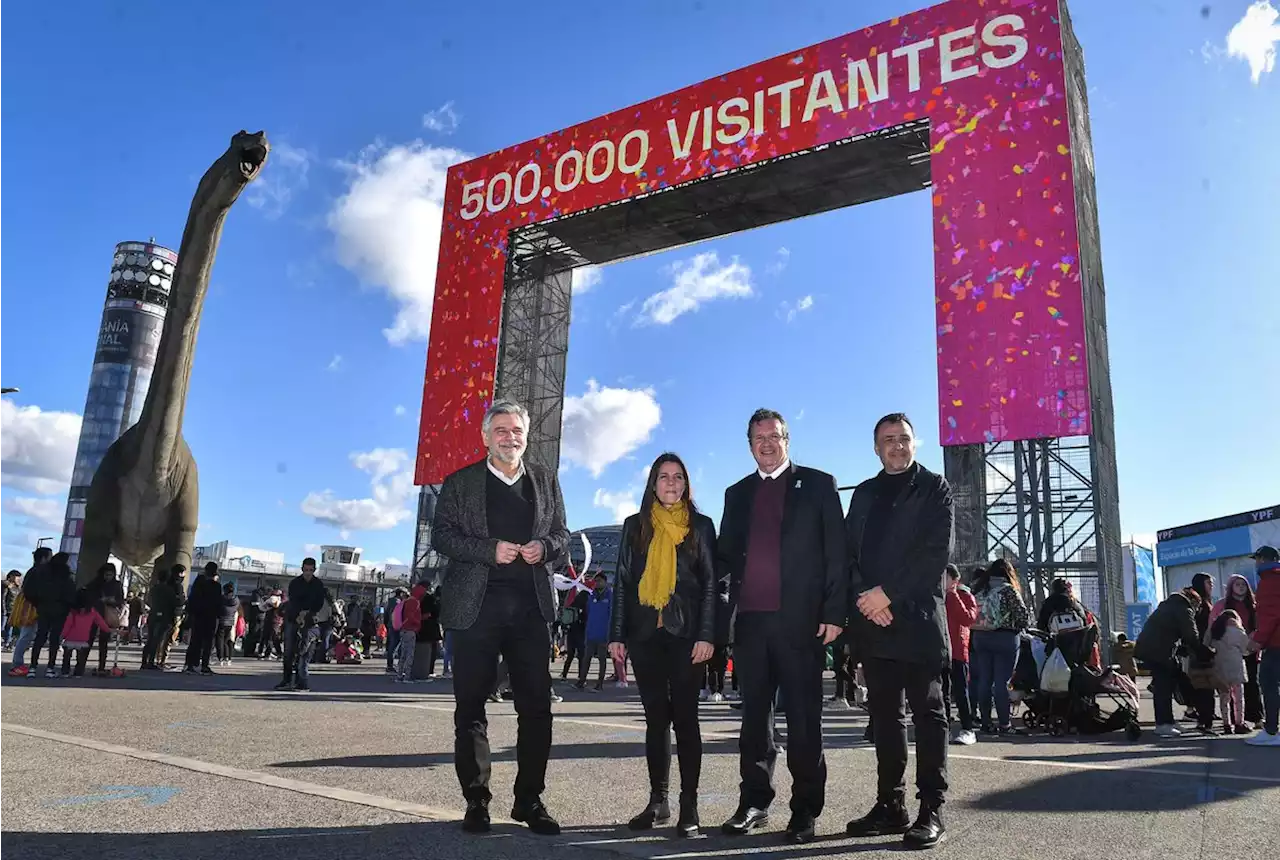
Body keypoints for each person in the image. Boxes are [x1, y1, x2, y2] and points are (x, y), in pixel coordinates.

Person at [433, 399, 569, 836]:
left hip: (531, 611)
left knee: (537, 709)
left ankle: (529, 800)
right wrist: (488, 549)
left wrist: (545, 548)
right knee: (470, 708)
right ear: (485, 436)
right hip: (475, 612)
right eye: (502, 430)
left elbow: (562, 535)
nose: (510, 438)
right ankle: (477, 800)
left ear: (526, 436)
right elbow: (442, 536)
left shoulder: (545, 481)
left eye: (517, 431)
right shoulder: (461, 482)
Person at [716, 408, 845, 844]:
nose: (766, 444)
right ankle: (754, 801)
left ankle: (805, 810)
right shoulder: (737, 494)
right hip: (751, 626)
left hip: (802, 625)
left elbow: (837, 554)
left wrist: (834, 612)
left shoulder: (819, 484)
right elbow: (725, 562)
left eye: (774, 436)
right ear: (749, 444)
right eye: (758, 438)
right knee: (754, 722)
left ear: (787, 440)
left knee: (805, 721)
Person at [843, 413, 954, 850]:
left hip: (919, 620)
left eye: (903, 438)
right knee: (884, 719)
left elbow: (934, 555)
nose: (897, 446)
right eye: (888, 440)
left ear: (914, 442)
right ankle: (891, 804)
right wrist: (864, 599)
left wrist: (886, 594)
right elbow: (847, 554)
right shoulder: (865, 493)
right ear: (875, 447)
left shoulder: (934, 487)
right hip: (874, 622)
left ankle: (932, 808)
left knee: (929, 716)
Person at [608, 452, 717, 838]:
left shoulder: (700, 527)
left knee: (686, 720)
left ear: (687, 485)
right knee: (656, 719)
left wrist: (707, 635)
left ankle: (690, 805)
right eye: (664, 477)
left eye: (678, 478)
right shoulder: (635, 527)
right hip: (644, 636)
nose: (671, 484)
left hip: (687, 637)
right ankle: (659, 801)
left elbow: (709, 587)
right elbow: (622, 583)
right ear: (652, 484)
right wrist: (617, 635)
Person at [1134, 586, 1207, 738]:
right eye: (1198, 606)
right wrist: (1204, 651)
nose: (1197, 609)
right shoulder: (1183, 608)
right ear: (1193, 601)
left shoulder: (1169, 605)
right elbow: (1191, 635)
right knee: (1164, 686)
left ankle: (1168, 721)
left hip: (1152, 649)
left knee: (1167, 683)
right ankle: (1163, 724)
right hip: (1159, 651)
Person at [968, 559, 1029, 735]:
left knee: (985, 680)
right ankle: (1004, 724)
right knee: (1002, 682)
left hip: (980, 636)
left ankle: (985, 722)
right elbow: (1022, 616)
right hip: (1005, 638)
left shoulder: (980, 588)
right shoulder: (1008, 590)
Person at [1209, 574, 1262, 728]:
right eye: (1237, 584)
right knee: (1229, 688)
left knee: (1252, 684)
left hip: (1250, 648)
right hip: (1228, 651)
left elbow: (1260, 624)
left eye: (1243, 584)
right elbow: (1212, 625)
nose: (1240, 587)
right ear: (1231, 587)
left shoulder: (1253, 605)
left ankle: (1256, 717)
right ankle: (1233, 719)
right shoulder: (1222, 605)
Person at [1246, 546, 1280, 746]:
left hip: (1275, 643)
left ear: (1262, 559)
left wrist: (1257, 640)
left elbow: (1271, 615)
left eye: (1256, 559)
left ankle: (1271, 731)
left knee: (1268, 684)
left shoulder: (1269, 582)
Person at [23, 549, 75, 678]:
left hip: (44, 607)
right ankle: (50, 668)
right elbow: (71, 594)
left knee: (40, 637)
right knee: (54, 639)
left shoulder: (41, 572)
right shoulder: (66, 575)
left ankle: (33, 667)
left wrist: (38, 603)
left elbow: (29, 590)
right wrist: (68, 606)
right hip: (60, 610)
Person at [277, 558, 325, 691]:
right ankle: (286, 679)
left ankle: (300, 681)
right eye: (306, 570)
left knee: (303, 651)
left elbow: (318, 603)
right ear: (302, 569)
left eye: (310, 570)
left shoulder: (318, 585)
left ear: (314, 570)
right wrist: (299, 614)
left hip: (310, 621)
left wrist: (307, 613)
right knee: (288, 651)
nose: (308, 573)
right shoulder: (295, 583)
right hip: (293, 618)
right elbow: (293, 600)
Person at [944, 564, 979, 746]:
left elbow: (968, 618)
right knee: (941, 693)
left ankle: (968, 728)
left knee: (960, 691)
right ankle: (944, 728)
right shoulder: (935, 596)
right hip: (939, 650)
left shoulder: (964, 595)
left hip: (957, 651)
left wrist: (953, 593)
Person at [1205, 609, 1251, 734]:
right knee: (1238, 698)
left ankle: (1226, 724)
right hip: (1236, 666)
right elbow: (1246, 649)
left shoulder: (1215, 630)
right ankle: (1239, 723)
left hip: (1220, 667)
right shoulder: (1238, 631)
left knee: (1224, 697)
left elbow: (1206, 644)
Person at [82, 562, 126, 676]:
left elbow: (121, 600)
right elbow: (86, 595)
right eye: (106, 574)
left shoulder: (117, 585)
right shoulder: (95, 583)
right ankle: (81, 664)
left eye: (110, 575)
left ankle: (101, 666)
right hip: (94, 614)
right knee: (89, 639)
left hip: (107, 615)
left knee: (103, 641)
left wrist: (113, 601)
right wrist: (100, 600)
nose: (108, 577)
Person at [141, 565, 186, 670]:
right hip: (165, 616)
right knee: (158, 639)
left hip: (153, 614)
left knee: (150, 638)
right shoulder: (169, 589)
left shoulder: (153, 589)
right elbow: (178, 602)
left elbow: (148, 601)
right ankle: (152, 661)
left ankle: (144, 662)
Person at [1189, 573, 1218, 733]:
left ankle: (1206, 717)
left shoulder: (1206, 602)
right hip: (1201, 648)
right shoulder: (1199, 602)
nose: (1211, 585)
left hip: (1204, 647)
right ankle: (1205, 719)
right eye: (1208, 582)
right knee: (1204, 685)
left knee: (1205, 685)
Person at [184, 563, 222, 675]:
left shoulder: (198, 584)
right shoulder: (216, 586)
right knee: (208, 643)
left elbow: (192, 600)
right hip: (211, 617)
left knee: (195, 641)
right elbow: (219, 603)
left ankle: (190, 664)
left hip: (198, 616)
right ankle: (204, 665)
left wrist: (190, 614)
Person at [577, 576, 612, 691]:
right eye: (596, 581)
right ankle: (581, 681)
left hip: (603, 633)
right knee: (586, 658)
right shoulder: (591, 596)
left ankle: (600, 683)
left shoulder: (610, 596)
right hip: (591, 632)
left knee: (602, 659)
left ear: (605, 582)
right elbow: (588, 612)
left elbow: (612, 615)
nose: (597, 583)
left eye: (600, 581)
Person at [395, 582, 426, 683]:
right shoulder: (415, 602)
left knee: (403, 654)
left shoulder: (407, 601)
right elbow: (412, 617)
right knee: (410, 654)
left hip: (403, 629)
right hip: (411, 630)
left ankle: (399, 675)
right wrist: (419, 622)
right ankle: (407, 676)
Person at [216, 583, 239, 665]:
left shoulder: (222, 599)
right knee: (226, 640)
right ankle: (227, 658)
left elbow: (218, 607)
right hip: (230, 622)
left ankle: (220, 658)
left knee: (220, 640)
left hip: (222, 621)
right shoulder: (236, 599)